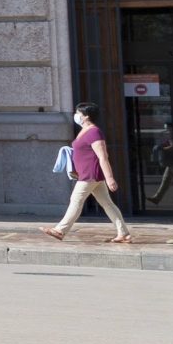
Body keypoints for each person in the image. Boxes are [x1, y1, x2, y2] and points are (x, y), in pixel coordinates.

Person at [45, 103, 133, 244]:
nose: (76, 115)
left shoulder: (94, 132)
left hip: (90, 174)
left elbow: (103, 157)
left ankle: (60, 230)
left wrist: (110, 178)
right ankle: (123, 233)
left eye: (78, 113)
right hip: (88, 174)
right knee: (107, 204)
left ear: (86, 116)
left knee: (76, 200)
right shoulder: (84, 131)